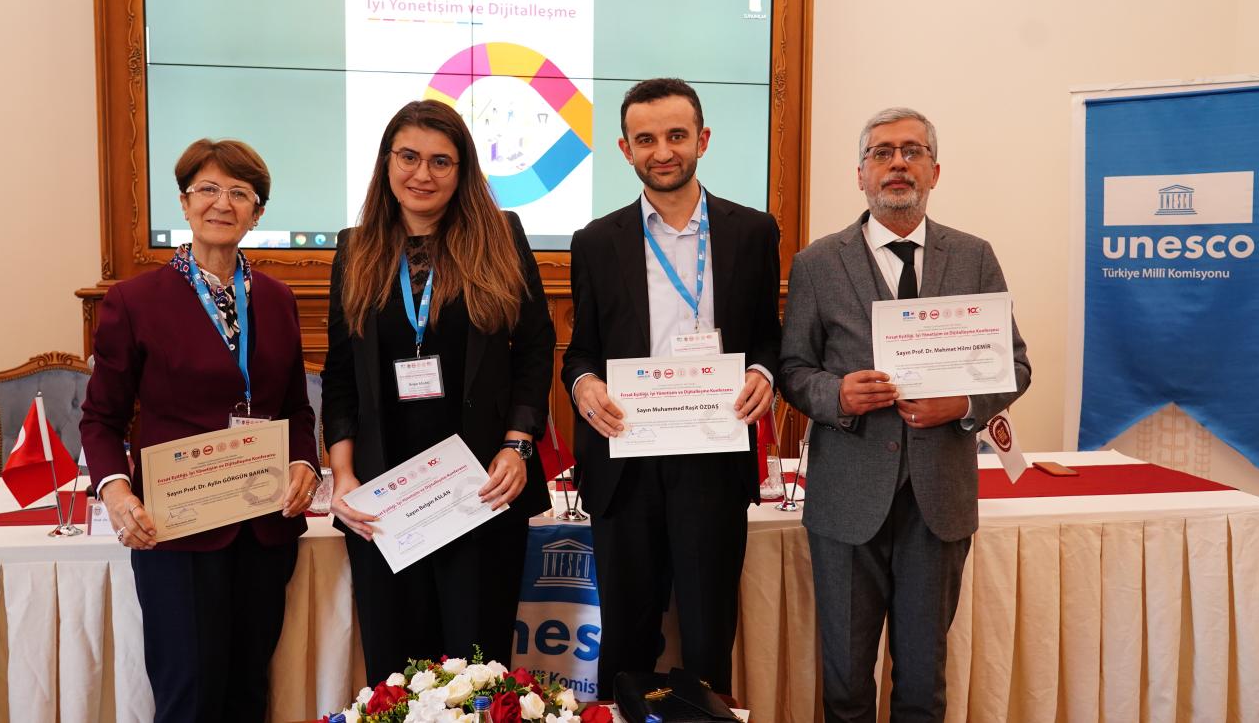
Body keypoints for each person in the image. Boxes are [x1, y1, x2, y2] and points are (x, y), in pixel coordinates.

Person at [779, 107, 1031, 722]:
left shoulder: (973, 256)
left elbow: (1015, 365)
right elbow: (793, 370)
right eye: (882, 152)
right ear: (860, 174)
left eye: (912, 151)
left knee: (923, 682)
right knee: (845, 684)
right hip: (846, 500)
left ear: (934, 172)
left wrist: (963, 404)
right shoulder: (817, 262)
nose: (898, 163)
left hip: (938, 499)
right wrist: (837, 395)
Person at [80, 138, 321, 722]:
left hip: (263, 528)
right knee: (189, 698)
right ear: (185, 204)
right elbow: (102, 418)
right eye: (207, 189)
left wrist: (304, 462)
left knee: (248, 695)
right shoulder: (135, 301)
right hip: (179, 531)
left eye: (240, 193)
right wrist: (116, 492)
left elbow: (296, 407)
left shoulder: (277, 299)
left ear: (257, 213)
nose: (222, 203)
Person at [561, 78, 782, 697]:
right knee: (626, 641)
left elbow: (769, 337)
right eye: (646, 139)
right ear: (625, 149)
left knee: (709, 638)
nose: (663, 152)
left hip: (713, 457)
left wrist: (765, 374)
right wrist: (583, 384)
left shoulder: (752, 232)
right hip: (625, 461)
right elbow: (580, 351)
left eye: (677, 136)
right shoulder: (596, 242)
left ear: (702, 140)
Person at [321, 100, 555, 682]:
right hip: (383, 495)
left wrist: (518, 445)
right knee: (396, 674)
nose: (422, 174)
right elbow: (341, 373)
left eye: (440, 161)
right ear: (386, 162)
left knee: (476, 671)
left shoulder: (501, 237)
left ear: (462, 170)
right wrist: (342, 475)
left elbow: (533, 350)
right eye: (409, 157)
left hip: (480, 487)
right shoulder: (355, 249)